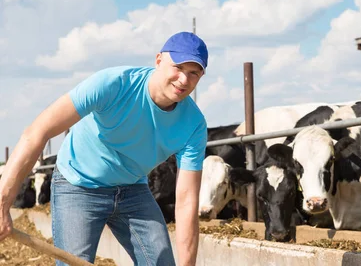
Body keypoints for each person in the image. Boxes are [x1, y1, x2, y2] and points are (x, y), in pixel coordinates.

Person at [0, 31, 209, 266]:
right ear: (159, 60)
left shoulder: (194, 125)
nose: (184, 80)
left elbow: (186, 201)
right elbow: (36, 132)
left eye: (194, 73)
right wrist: (2, 203)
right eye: (178, 67)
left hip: (132, 189)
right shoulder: (113, 84)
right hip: (78, 184)